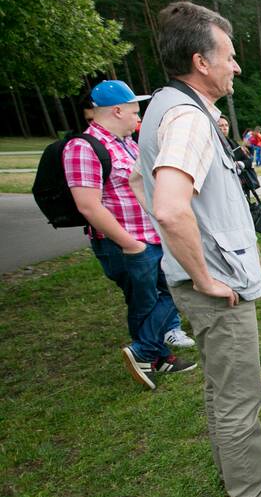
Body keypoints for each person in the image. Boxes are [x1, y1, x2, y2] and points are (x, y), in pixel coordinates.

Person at [135, 1, 261, 497]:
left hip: (198, 273)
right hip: (214, 282)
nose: (236, 67)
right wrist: (206, 277)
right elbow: (168, 207)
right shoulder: (186, 118)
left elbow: (148, 191)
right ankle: (251, 491)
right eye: (229, 57)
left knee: (220, 384)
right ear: (200, 62)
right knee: (238, 391)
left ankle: (239, 463)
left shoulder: (169, 108)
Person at [64, 79, 196, 389]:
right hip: (125, 244)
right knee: (147, 300)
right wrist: (131, 244)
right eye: (136, 111)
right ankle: (147, 353)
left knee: (160, 296)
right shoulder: (83, 147)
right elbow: (88, 206)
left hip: (149, 236)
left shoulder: (125, 142)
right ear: (118, 110)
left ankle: (152, 354)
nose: (139, 117)